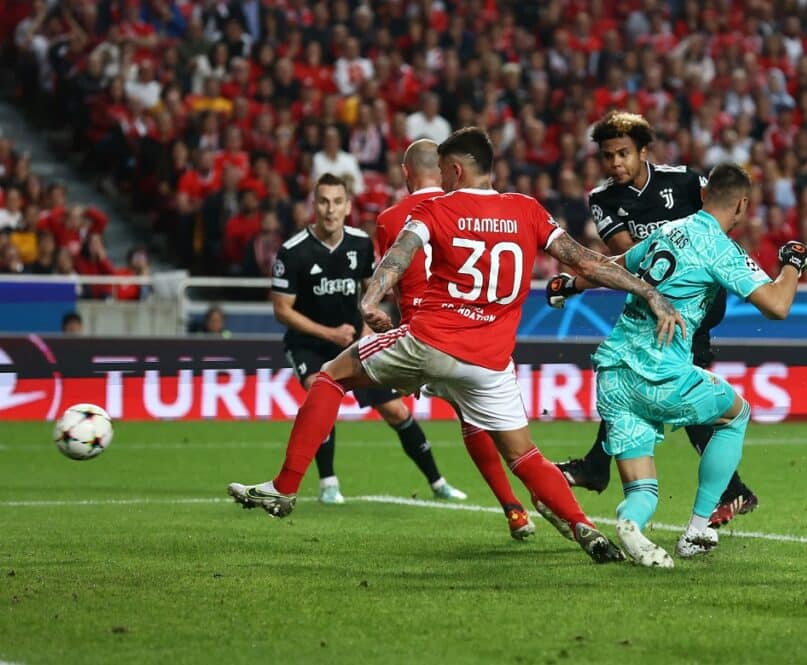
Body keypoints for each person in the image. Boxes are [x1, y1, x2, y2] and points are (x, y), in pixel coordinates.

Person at [229, 127, 684, 564]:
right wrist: (648, 292)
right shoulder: (526, 210)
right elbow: (588, 261)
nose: (441, 180)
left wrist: (370, 298)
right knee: (525, 455)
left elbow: (400, 255)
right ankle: (583, 526)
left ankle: (286, 486)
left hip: (429, 340)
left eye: (444, 172)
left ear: (456, 171)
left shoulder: (435, 210)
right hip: (490, 362)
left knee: (332, 375)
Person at [591, 164, 807, 567]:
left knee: (642, 492)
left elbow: (614, 264)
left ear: (705, 192)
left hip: (612, 374)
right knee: (736, 413)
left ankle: (629, 523)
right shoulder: (720, 248)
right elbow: (778, 305)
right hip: (660, 372)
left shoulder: (666, 230)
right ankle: (695, 530)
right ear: (743, 204)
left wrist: (569, 284)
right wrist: (793, 264)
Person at [547, 110, 759, 527]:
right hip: (655, 312)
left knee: (651, 385)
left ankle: (598, 467)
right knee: (648, 386)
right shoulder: (604, 199)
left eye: (623, 154)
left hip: (693, 309)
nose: (615, 164)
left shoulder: (683, 181)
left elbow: (720, 221)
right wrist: (575, 283)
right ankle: (731, 491)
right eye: (607, 157)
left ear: (643, 150)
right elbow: (628, 261)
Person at [265, 172, 465, 505]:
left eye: (337, 202)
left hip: (353, 340)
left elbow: (371, 289)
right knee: (320, 394)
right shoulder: (293, 252)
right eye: (324, 201)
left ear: (347, 207)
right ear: (315, 205)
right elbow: (282, 310)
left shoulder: (359, 244)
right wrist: (329, 333)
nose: (330, 209)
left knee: (397, 412)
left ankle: (438, 482)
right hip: (309, 345)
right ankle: (329, 483)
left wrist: (368, 326)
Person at [375, 138, 534, 539]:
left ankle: (514, 507)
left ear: (406, 173)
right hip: (480, 334)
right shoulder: (474, 209)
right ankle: (533, 504)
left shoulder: (392, 218)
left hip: (423, 336)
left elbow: (393, 278)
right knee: (501, 432)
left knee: (336, 375)